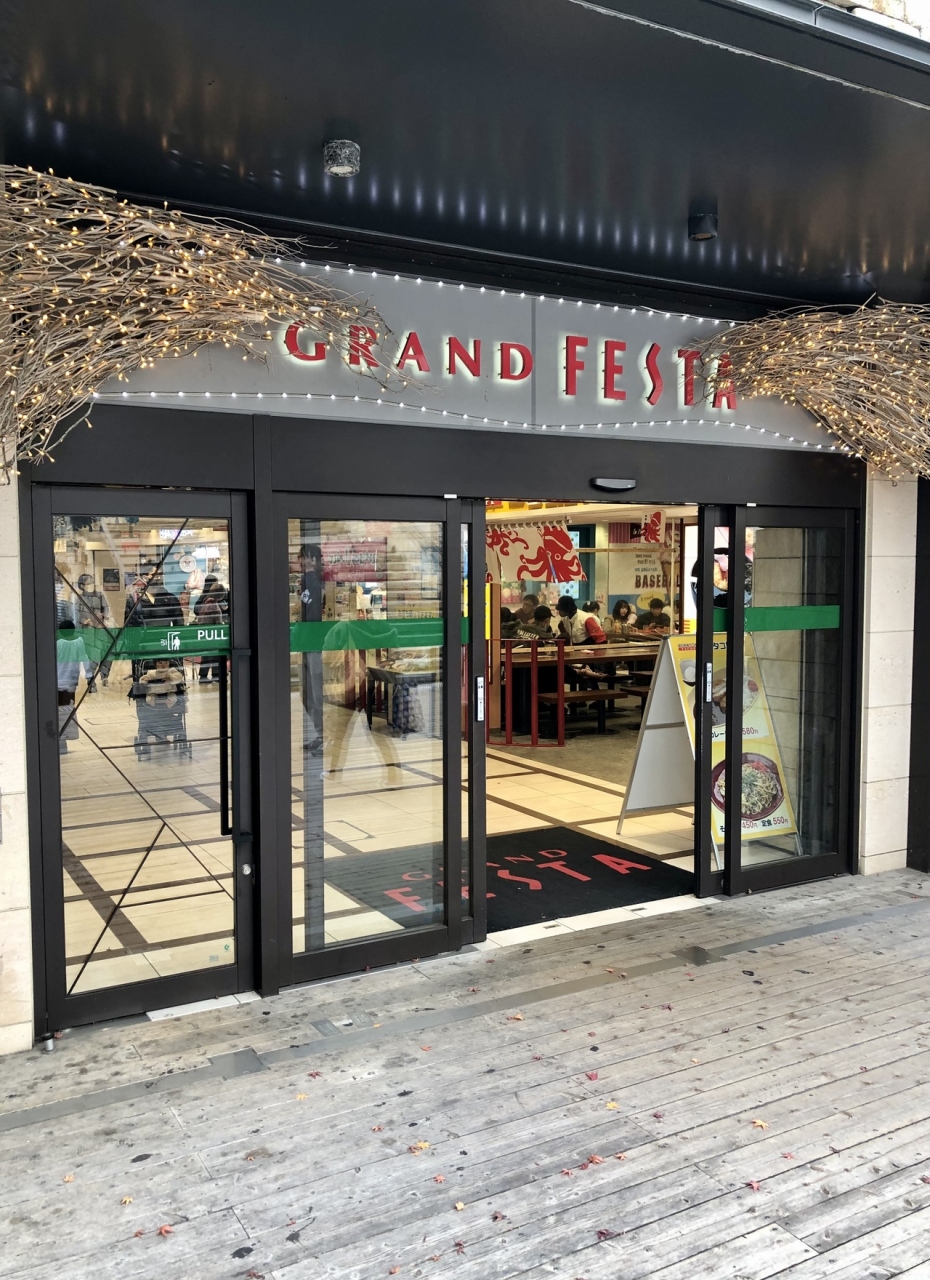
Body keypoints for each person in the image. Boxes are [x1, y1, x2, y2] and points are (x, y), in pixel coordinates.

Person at [298, 542, 324, 755]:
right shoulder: (305, 580)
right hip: (306, 643)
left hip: (315, 643)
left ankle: (324, 735)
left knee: (316, 692)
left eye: (305, 556)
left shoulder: (315, 582)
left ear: (314, 560)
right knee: (306, 694)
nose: (301, 560)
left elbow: (314, 614)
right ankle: (320, 733)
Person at [56, 619, 94, 752]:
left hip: (57, 681)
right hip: (72, 682)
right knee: (68, 709)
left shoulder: (58, 644)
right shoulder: (79, 642)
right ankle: (65, 739)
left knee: (59, 711)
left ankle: (61, 741)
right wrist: (89, 676)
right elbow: (84, 658)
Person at [74, 572, 113, 686]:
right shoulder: (79, 598)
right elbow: (76, 614)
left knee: (108, 652)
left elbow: (106, 608)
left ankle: (104, 675)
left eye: (92, 582)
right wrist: (84, 621)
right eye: (89, 583)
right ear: (82, 585)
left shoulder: (99, 595)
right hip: (88, 630)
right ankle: (91, 680)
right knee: (94, 655)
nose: (91, 585)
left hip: (101, 628)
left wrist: (105, 619)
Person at [192, 575, 228, 683]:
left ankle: (205, 674)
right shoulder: (213, 604)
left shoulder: (205, 599)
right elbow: (217, 619)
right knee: (214, 653)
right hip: (211, 631)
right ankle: (215, 674)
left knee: (207, 654)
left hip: (204, 630)